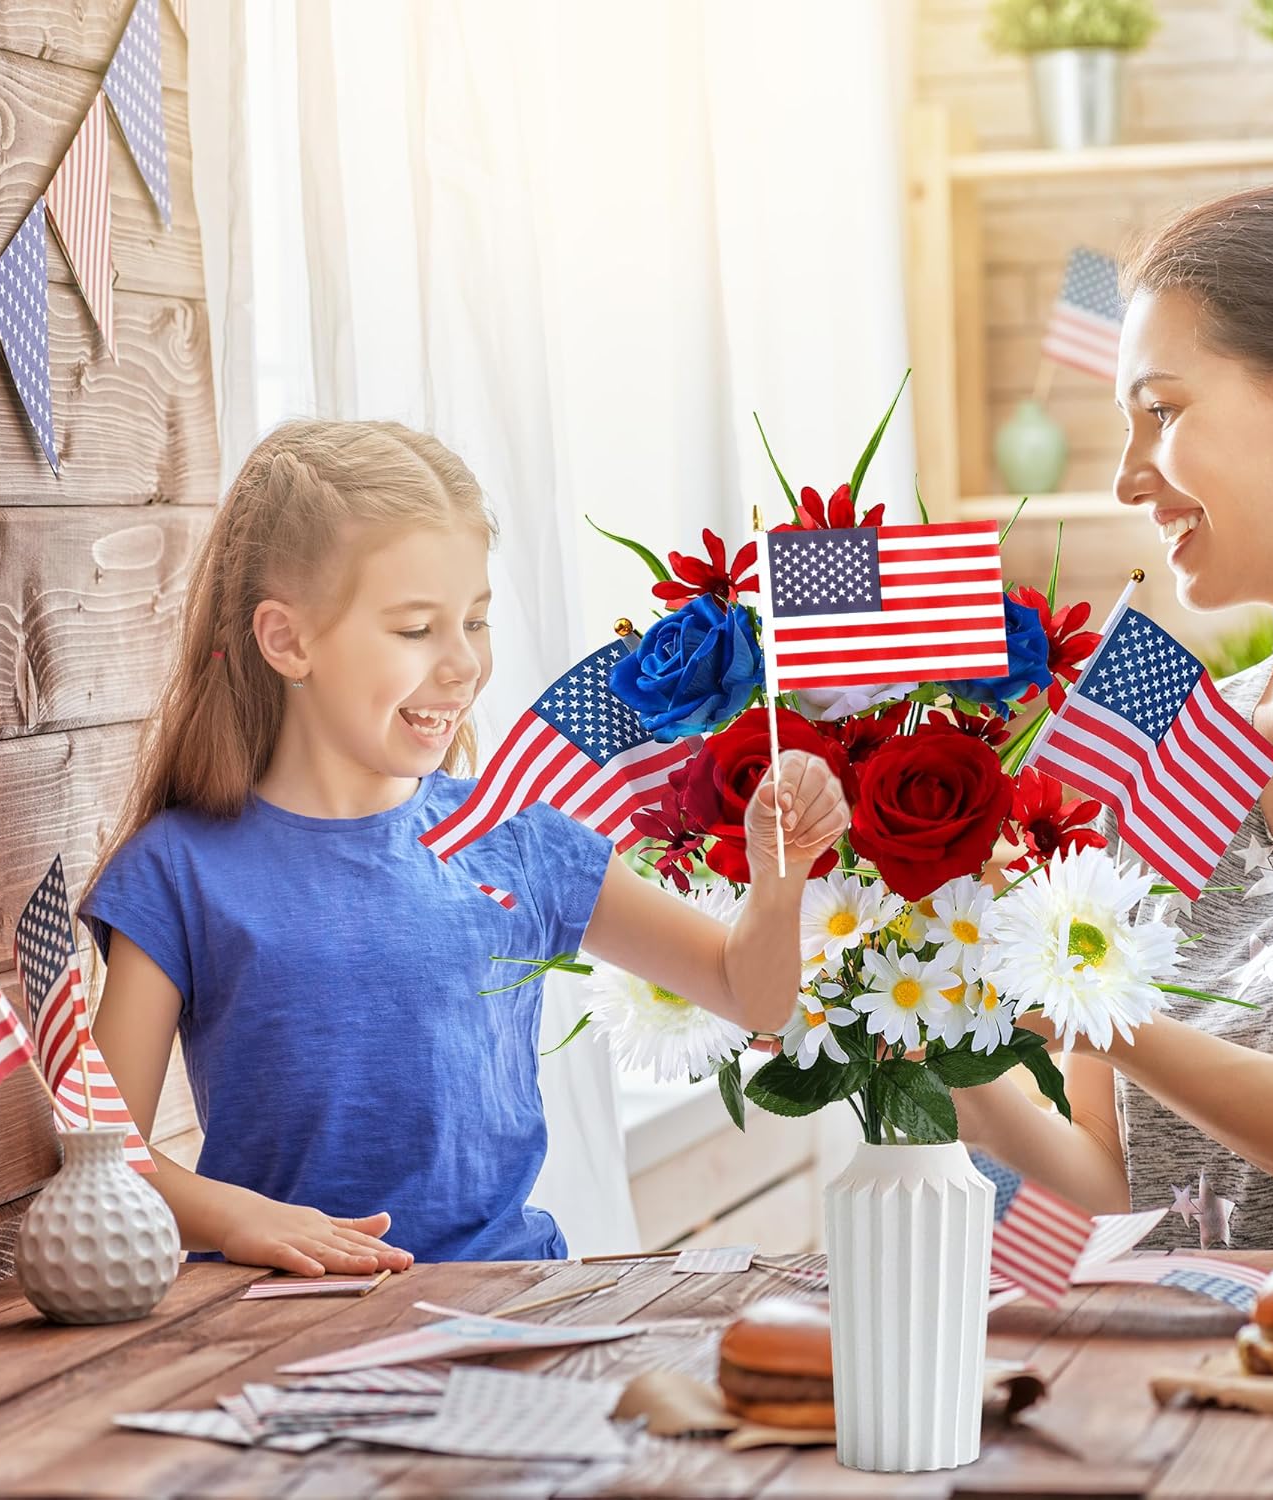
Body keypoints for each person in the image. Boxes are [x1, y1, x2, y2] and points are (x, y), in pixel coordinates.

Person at [81, 419, 847, 1277]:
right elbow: (103, 1156)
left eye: (475, 621)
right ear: (288, 640)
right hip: (288, 1317)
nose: (463, 666)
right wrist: (238, 1219)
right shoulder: (177, 871)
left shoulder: (517, 837)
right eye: (415, 629)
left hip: (507, 1302)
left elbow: (751, 996)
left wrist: (779, 882)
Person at [959, 183, 1273, 1250]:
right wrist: (940, 1044)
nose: (1125, 479)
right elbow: (1115, 1188)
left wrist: (1119, 1020)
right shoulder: (1164, 750)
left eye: (1163, 412)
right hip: (1177, 1355)